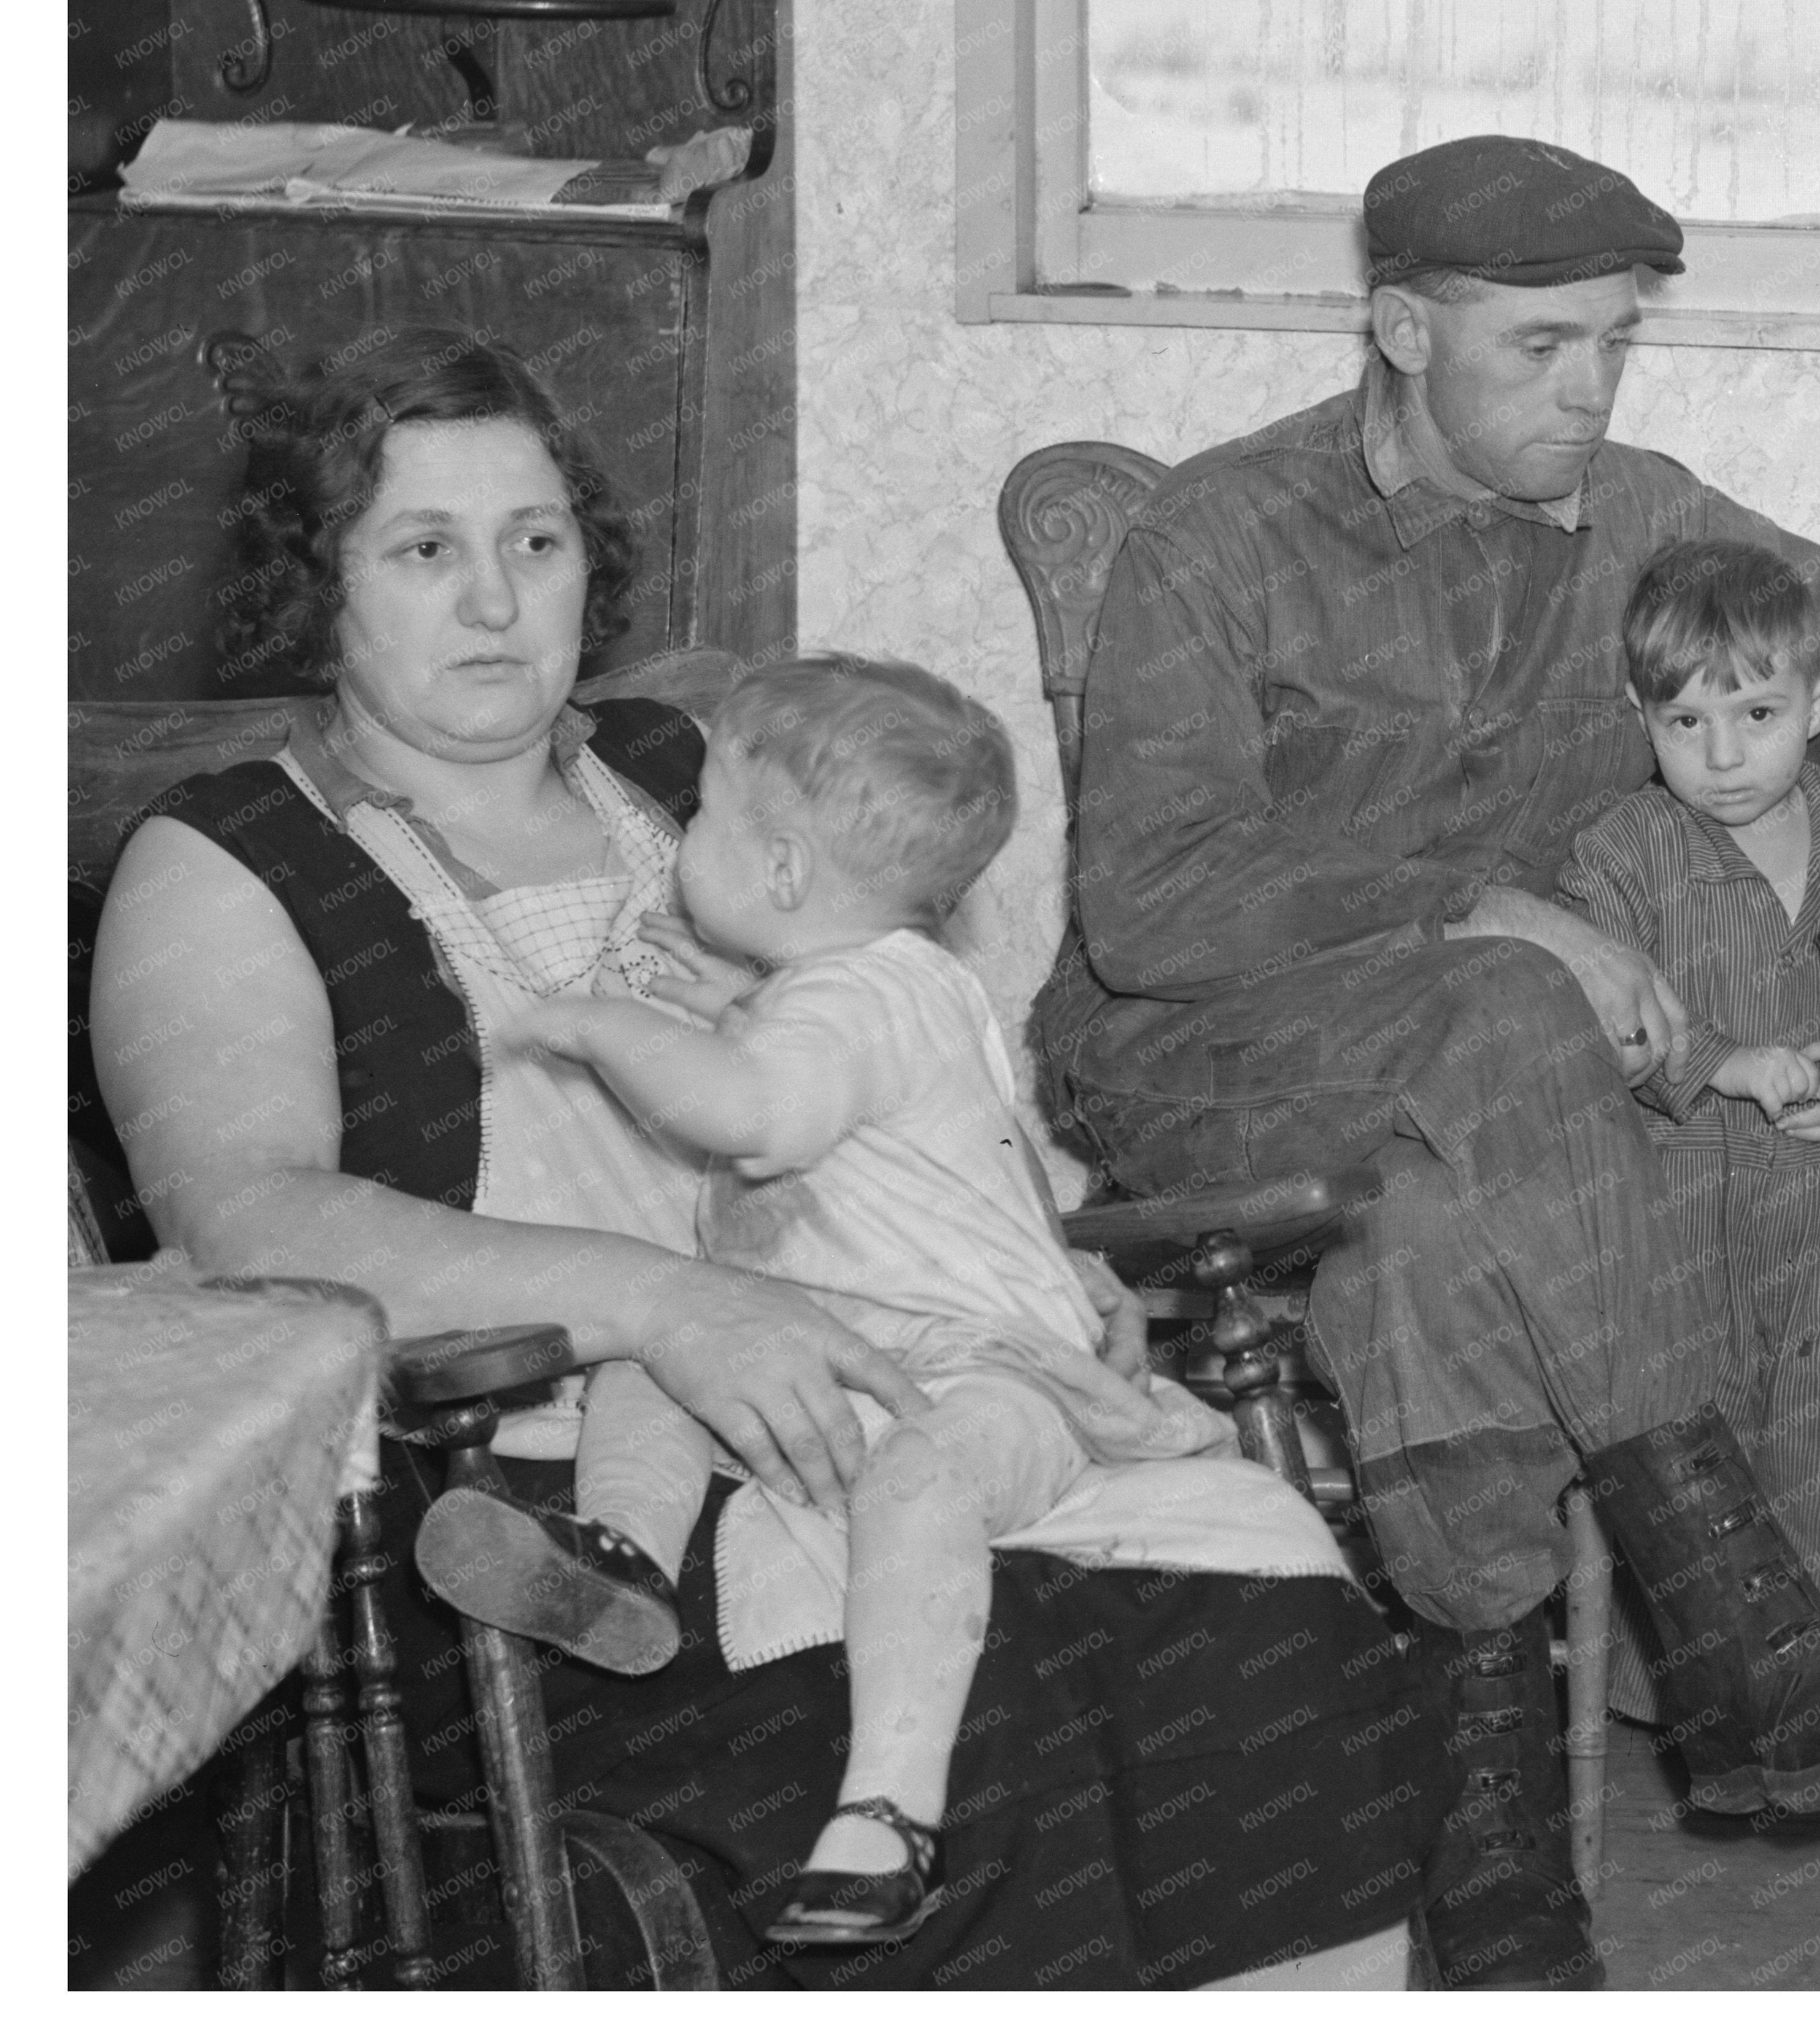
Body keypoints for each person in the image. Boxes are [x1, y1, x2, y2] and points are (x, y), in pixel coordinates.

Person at [86, 329, 1445, 1990]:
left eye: (537, 539)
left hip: (880, 1396)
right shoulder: (231, 854)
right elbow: (244, 1222)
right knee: (984, 1712)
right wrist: (666, 1307)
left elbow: (911, 1058)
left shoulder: (698, 775)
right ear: (323, 583)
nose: (499, 602)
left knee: (1264, 1644)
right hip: (534, 1507)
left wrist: (1053, 1250)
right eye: (424, 550)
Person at [1031, 133, 1820, 1985]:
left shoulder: (1638, 513)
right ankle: (1734, 1618)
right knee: (1514, 1012)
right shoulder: (1222, 534)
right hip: (1200, 1057)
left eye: (1612, 349)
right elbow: (1153, 909)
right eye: (1540, 350)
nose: (1587, 394)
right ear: (1401, 330)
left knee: (1426, 1225)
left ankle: (1494, 1863)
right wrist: (1506, 910)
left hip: (1469, 1119)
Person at [415, 652, 1235, 1951]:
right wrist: (742, 1007)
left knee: (924, 1480)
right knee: (653, 1360)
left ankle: (889, 1812)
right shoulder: (885, 987)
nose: (681, 838)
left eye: (705, 816)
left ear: (784, 871)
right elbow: (868, 1096)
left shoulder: (851, 1002)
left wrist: (600, 1027)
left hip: (995, 1373)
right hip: (858, 1349)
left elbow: (760, 1119)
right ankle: (613, 1557)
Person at [1556, 540, 1820, 1707]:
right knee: (1704, 1444)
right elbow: (1600, 1024)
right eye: (1683, 723)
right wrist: (1715, 1061)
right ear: (1638, 715)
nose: (1722, 755)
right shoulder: (1617, 856)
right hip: (1682, 1199)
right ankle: (1707, 1705)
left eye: (1757, 713)